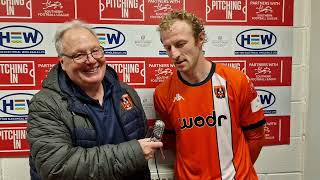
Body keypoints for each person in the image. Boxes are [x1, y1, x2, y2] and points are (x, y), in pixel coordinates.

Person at [27, 20, 163, 180]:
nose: (91, 60)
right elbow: (58, 167)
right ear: (63, 62)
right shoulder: (46, 104)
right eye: (79, 55)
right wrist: (134, 153)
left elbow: (141, 158)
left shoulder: (126, 92)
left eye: (96, 51)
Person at [153, 10, 266, 180]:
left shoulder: (237, 81)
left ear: (200, 39)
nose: (174, 54)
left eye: (180, 44)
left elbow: (256, 136)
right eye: (168, 47)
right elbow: (173, 142)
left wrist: (236, 172)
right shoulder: (162, 93)